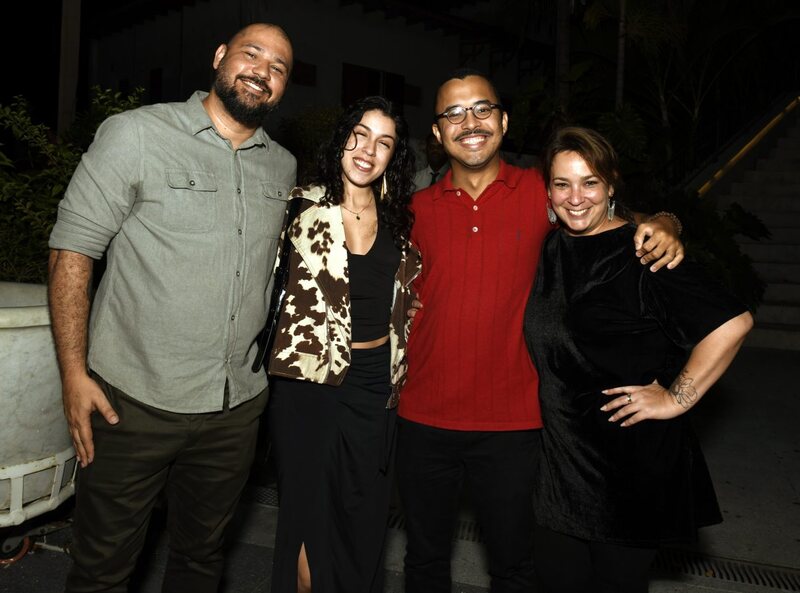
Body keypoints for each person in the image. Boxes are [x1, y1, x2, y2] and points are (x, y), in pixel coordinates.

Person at [395, 68, 685, 593]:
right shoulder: (414, 211)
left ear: (503, 121)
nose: (470, 122)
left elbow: (609, 214)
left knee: (515, 566)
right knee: (424, 562)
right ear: (436, 134)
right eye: (453, 113)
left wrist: (666, 221)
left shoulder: (543, 192)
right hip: (423, 419)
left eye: (482, 108)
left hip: (516, 425)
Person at [47, 23, 296, 592]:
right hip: (132, 402)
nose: (261, 70)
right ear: (218, 57)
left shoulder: (282, 167)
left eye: (278, 66)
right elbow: (71, 252)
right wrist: (72, 374)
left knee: (202, 560)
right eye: (250, 54)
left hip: (236, 410)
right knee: (102, 571)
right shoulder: (136, 134)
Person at [524, 126, 753, 593]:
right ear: (548, 189)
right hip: (559, 472)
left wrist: (675, 398)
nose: (575, 198)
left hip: (624, 477)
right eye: (562, 184)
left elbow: (732, 323)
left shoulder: (642, 251)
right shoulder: (551, 246)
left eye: (589, 182)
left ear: (610, 184)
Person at [266, 96, 419, 593]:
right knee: (309, 530)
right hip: (308, 385)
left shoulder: (400, 221)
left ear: (394, 157)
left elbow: (406, 294)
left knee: (363, 519)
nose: (368, 150)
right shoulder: (298, 205)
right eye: (359, 133)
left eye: (384, 142)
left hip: (376, 386)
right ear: (342, 137)